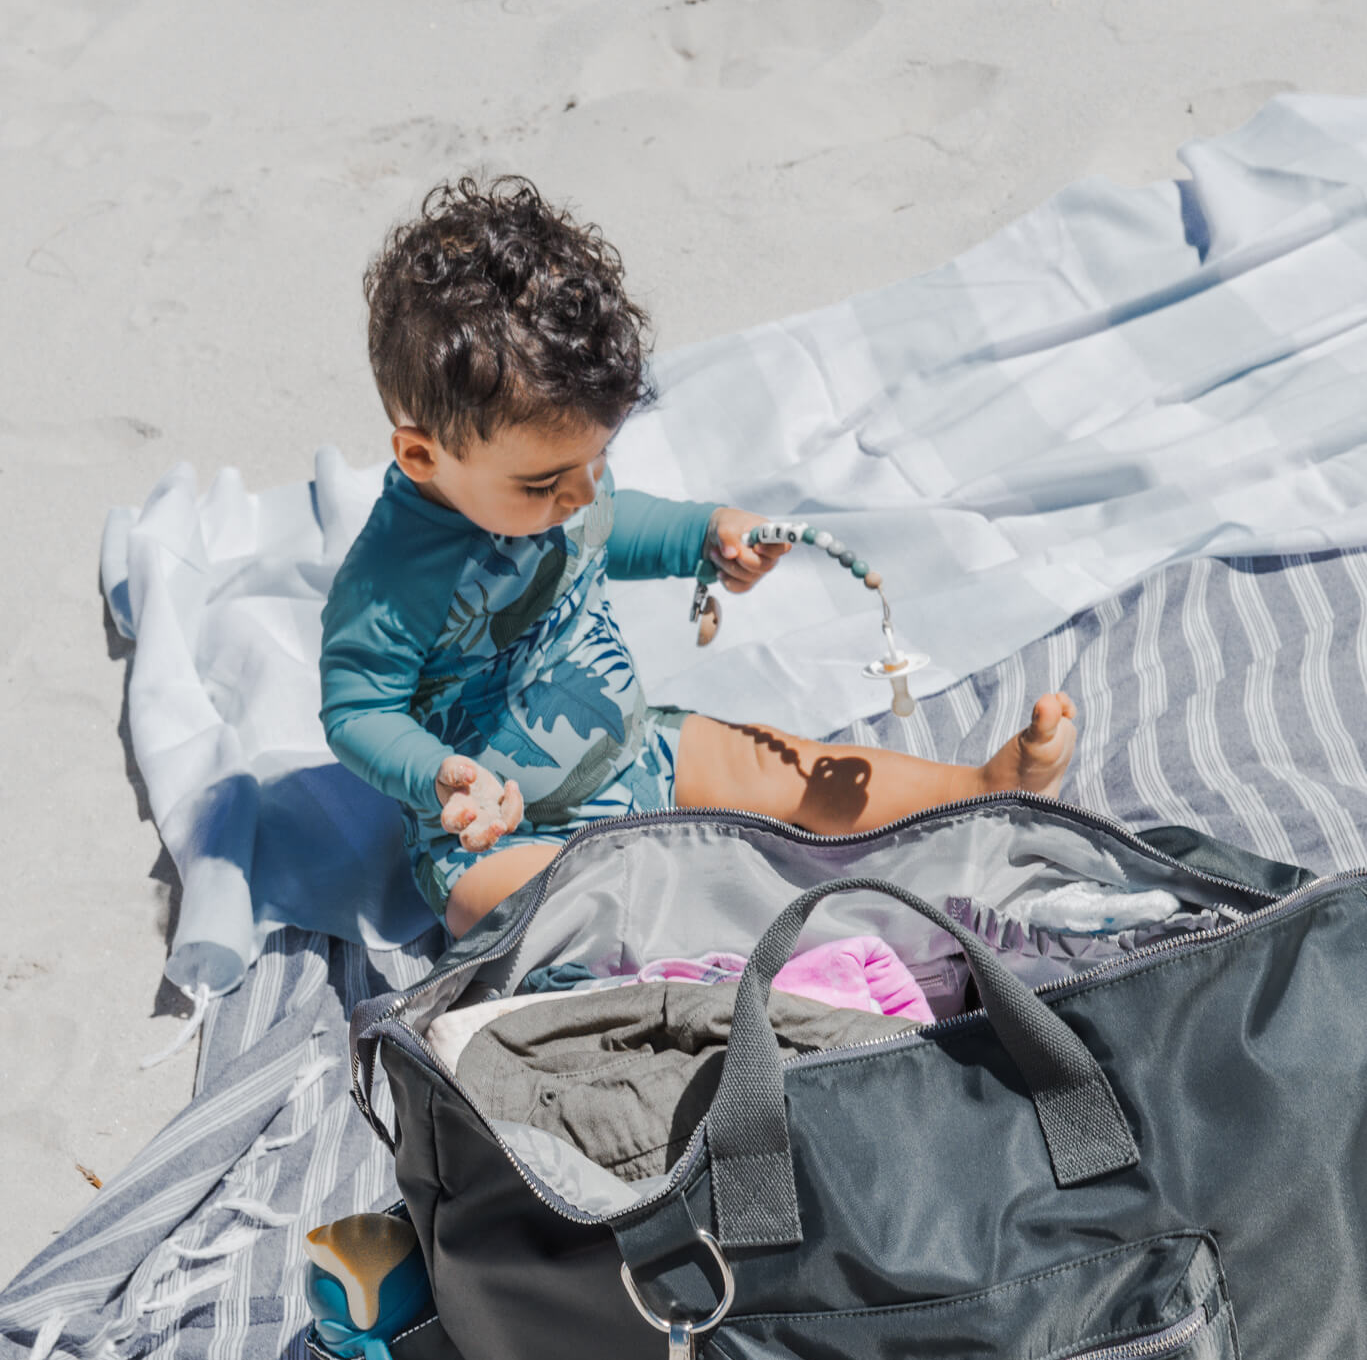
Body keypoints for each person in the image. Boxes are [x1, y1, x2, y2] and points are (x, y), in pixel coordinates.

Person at [320, 176, 1077, 938]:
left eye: (598, 458)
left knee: (778, 765)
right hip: (501, 831)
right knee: (525, 912)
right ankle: (734, 940)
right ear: (421, 456)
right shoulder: (389, 581)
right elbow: (358, 712)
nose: (583, 492)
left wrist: (703, 537)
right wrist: (439, 775)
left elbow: (609, 525)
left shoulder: (561, 487)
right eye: (545, 483)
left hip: (637, 751)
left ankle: (978, 791)